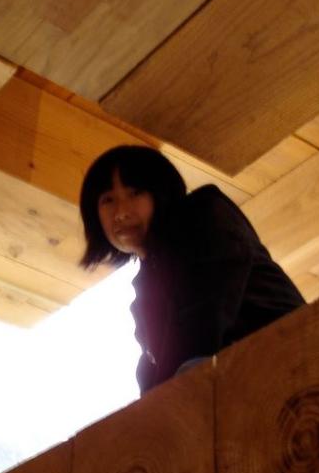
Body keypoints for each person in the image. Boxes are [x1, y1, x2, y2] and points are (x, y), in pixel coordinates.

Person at [79, 145, 305, 394]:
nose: (121, 212)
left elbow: (201, 319)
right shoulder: (146, 291)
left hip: (297, 359)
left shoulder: (203, 214)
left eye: (135, 193)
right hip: (243, 386)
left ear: (160, 193)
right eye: (108, 200)